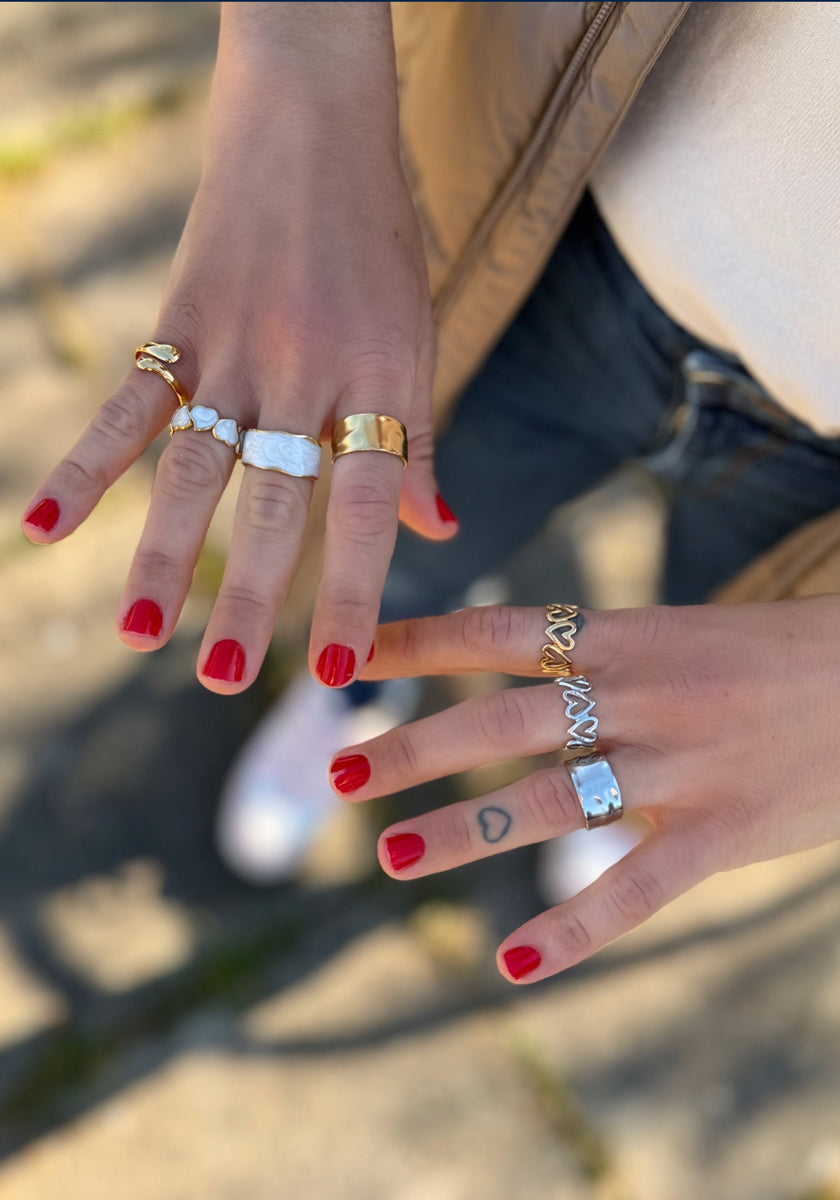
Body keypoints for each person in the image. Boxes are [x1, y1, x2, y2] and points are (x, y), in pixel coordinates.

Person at [20, 3, 840, 980]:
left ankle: (615, 780)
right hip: (573, 202)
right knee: (401, 549)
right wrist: (300, 74)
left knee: (706, 658)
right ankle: (354, 688)